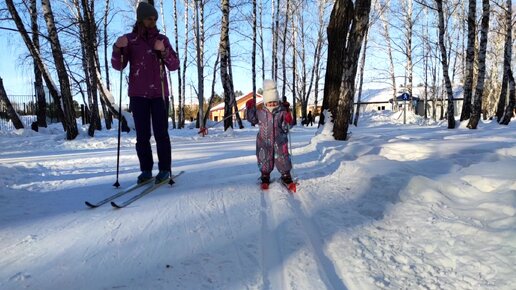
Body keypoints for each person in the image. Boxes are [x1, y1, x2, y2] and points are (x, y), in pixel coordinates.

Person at [111, 2, 179, 184]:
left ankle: (164, 169)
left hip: (160, 94)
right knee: (142, 136)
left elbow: (174, 65)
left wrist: (163, 52)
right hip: (138, 94)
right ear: (141, 18)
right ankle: (146, 170)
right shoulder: (130, 40)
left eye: (155, 18)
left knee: (161, 133)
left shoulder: (162, 39)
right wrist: (117, 48)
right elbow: (118, 66)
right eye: (150, 18)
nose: (153, 21)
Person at [246, 80, 295, 191]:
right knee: (264, 158)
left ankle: (286, 176)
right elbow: (252, 119)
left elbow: (287, 126)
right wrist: (250, 108)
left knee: (283, 159)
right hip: (264, 141)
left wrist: (288, 119)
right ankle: (265, 176)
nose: (272, 104)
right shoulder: (260, 112)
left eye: (274, 102)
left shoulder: (282, 111)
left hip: (280, 140)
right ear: (265, 102)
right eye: (270, 102)